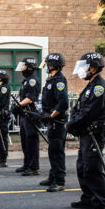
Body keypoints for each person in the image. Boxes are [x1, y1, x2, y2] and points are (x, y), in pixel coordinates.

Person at [67, 53, 105, 209]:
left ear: (93, 68)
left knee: (92, 169)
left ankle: (100, 206)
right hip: (86, 133)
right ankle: (88, 198)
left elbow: (88, 113)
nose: (81, 71)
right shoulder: (90, 86)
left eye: (84, 67)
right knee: (82, 166)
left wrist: (71, 125)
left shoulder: (99, 87)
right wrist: (73, 122)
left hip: (95, 134)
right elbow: (78, 109)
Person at [39, 53, 69, 192]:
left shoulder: (59, 81)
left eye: (47, 64)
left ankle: (59, 180)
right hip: (52, 121)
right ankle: (53, 176)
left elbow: (62, 103)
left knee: (57, 151)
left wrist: (51, 116)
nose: (46, 66)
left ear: (52, 65)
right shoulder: (51, 80)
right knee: (52, 151)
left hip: (57, 121)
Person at [14, 57, 41, 176]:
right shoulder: (26, 80)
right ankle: (26, 164)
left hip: (31, 113)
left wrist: (18, 105)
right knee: (25, 141)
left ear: (30, 67)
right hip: (25, 114)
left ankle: (33, 166)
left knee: (31, 142)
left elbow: (30, 98)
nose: (22, 68)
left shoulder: (33, 80)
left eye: (24, 65)